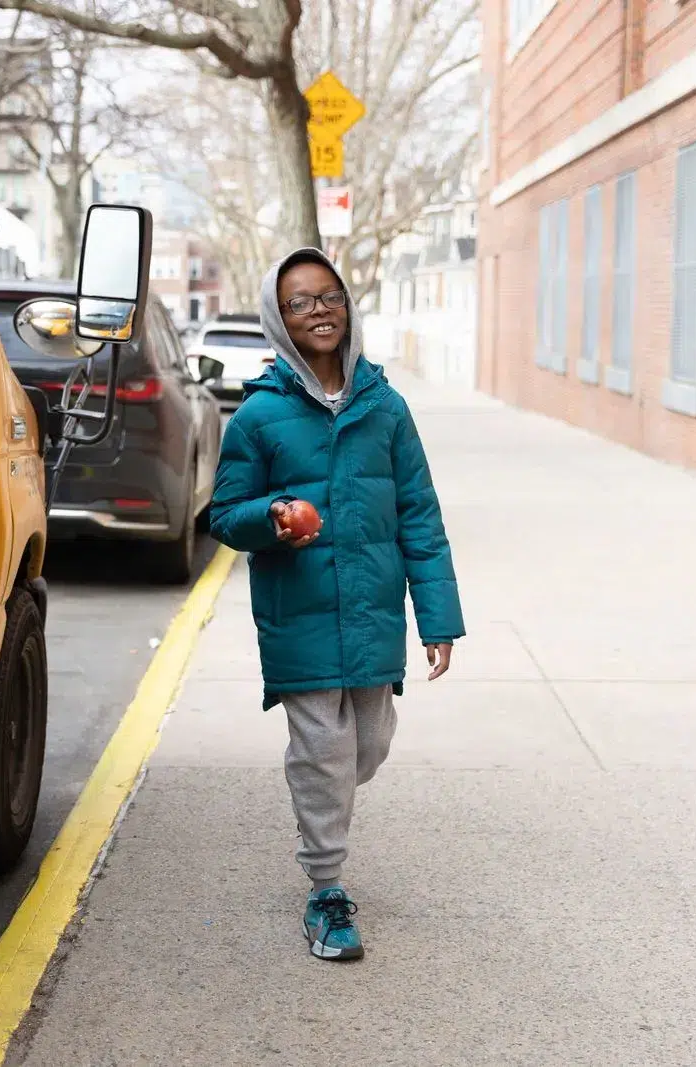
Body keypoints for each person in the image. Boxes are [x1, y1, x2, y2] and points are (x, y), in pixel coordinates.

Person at [208, 248, 464, 962]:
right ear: (277, 320)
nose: (317, 310)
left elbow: (419, 513)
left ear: (347, 307)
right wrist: (275, 513)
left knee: (366, 745)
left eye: (328, 296)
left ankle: (320, 788)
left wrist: (437, 615)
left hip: (374, 612)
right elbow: (225, 515)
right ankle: (326, 891)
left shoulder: (386, 408)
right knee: (323, 747)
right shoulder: (259, 416)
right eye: (299, 302)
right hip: (301, 614)